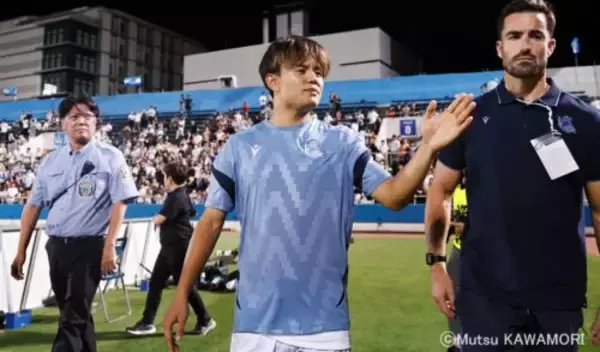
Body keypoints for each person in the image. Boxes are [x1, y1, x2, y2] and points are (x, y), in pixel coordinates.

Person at [162, 34, 476, 352]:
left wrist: (427, 147)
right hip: (254, 329)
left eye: (319, 72)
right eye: (301, 70)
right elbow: (211, 222)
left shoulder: (342, 142)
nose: (314, 78)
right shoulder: (238, 148)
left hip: (324, 330)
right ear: (273, 81)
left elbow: (395, 196)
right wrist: (182, 291)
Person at [424, 0, 600, 351]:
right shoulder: (469, 117)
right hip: (484, 300)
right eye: (515, 36)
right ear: (499, 47)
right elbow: (440, 190)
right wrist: (438, 263)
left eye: (535, 35)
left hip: (558, 302)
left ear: (550, 45)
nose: (525, 45)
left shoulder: (585, 121)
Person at [10, 94, 139, 352]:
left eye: (87, 116)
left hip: (90, 247)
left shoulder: (111, 157)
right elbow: (33, 206)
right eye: (74, 116)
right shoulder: (50, 161)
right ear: (63, 124)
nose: (81, 121)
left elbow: (120, 202)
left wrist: (109, 246)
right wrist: (21, 250)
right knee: (75, 314)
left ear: (96, 122)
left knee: (72, 318)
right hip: (57, 248)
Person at [125, 161, 216, 336]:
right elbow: (188, 213)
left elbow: (160, 218)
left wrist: (156, 218)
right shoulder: (180, 195)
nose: (164, 179)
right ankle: (147, 322)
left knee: (183, 285)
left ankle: (205, 319)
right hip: (170, 247)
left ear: (171, 178)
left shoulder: (176, 197)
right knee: (156, 282)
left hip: (177, 247)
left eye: (166, 176)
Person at [445, 173, 467, 352]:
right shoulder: (456, 190)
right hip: (459, 250)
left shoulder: (486, 185)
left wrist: (457, 227)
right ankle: (457, 344)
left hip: (483, 253)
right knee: (451, 298)